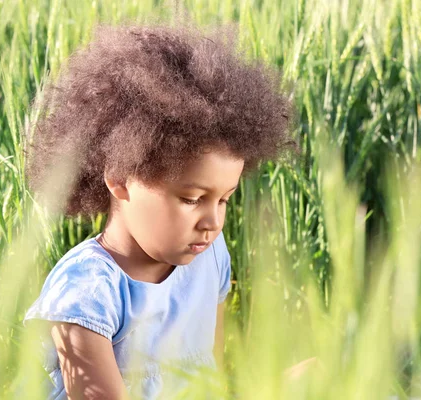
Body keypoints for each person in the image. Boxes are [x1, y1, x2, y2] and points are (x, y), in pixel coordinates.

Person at [23, 23, 294, 400]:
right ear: (119, 179)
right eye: (191, 199)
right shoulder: (86, 290)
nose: (212, 222)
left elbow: (207, 376)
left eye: (224, 199)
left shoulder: (210, 257)